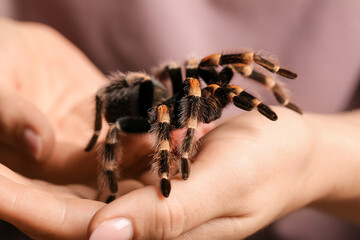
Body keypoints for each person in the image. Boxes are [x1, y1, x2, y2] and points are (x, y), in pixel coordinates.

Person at [0, 1, 359, 239]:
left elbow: (217, 81)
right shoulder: (168, 95)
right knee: (125, 125)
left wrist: (315, 154)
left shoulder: (212, 90)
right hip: (124, 109)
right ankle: (111, 181)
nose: (225, 93)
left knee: (195, 75)